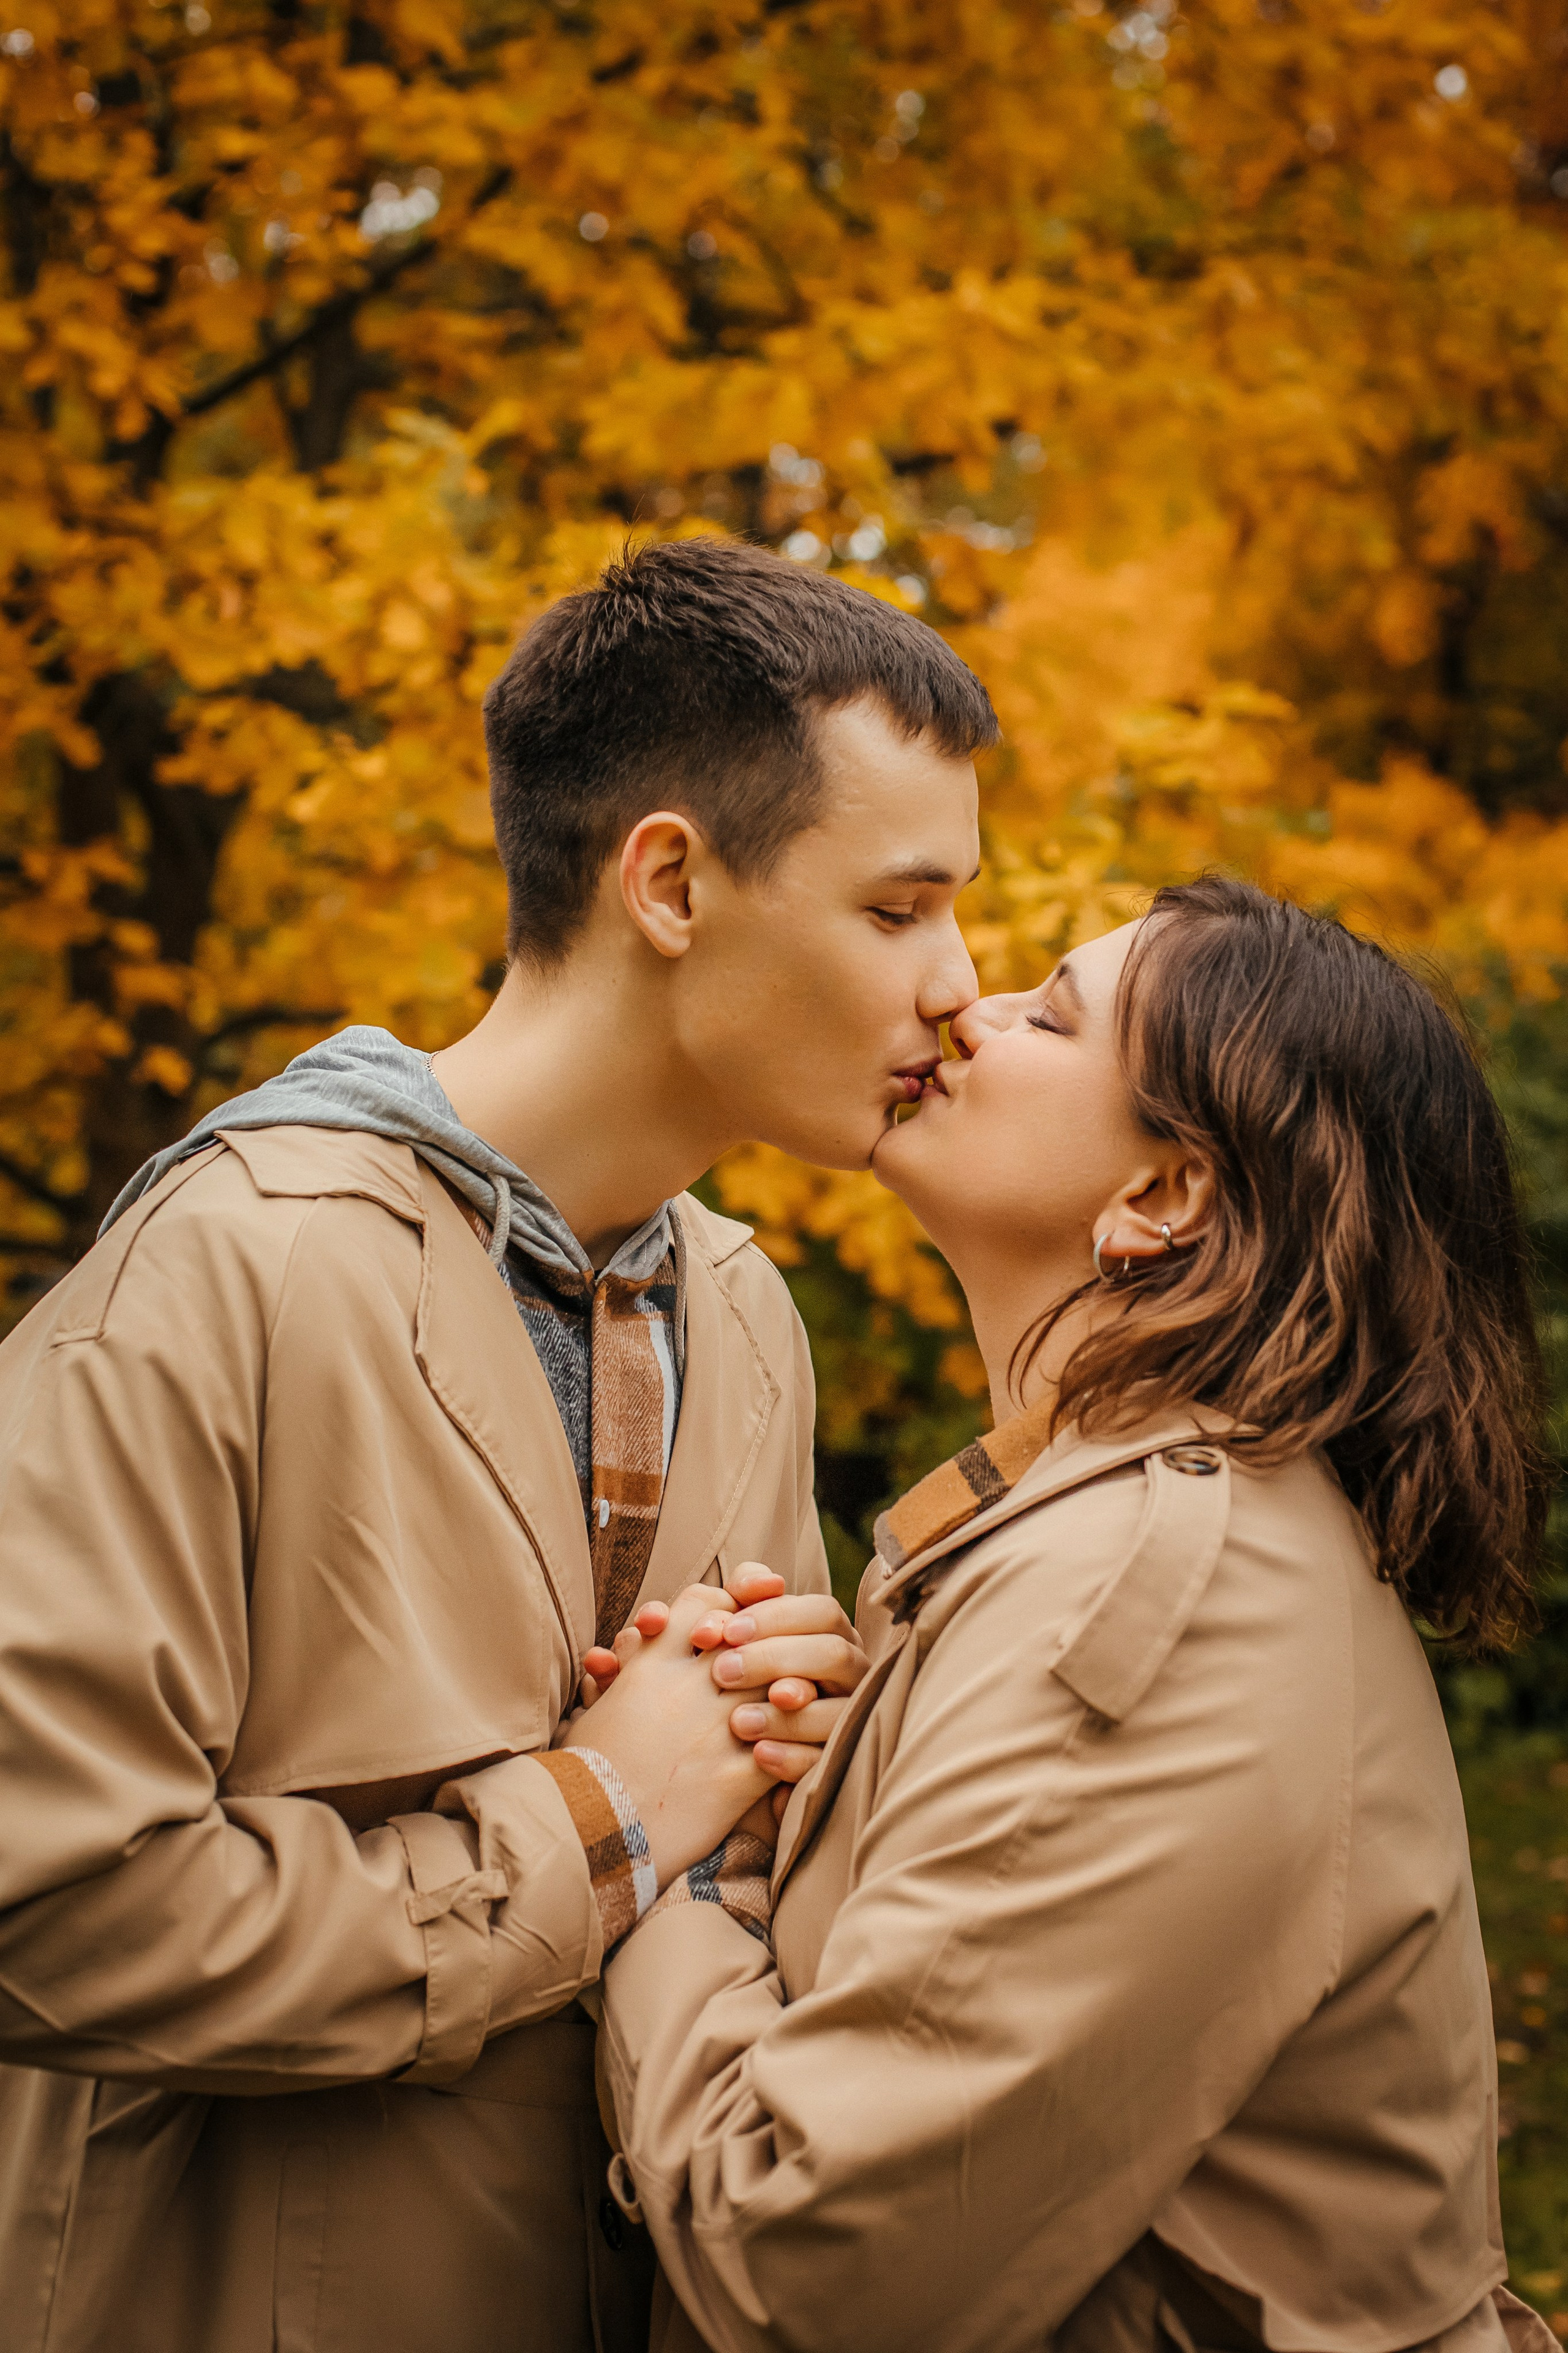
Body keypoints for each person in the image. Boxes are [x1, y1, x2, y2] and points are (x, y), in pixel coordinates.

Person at [0, 537, 998, 2353]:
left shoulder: (752, 1314)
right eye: (897, 909)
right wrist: (597, 1815)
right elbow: (48, 1907)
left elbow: (731, 1862)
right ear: (673, 882)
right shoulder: (231, 1264)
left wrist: (806, 1761)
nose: (961, 985)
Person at [588, 877, 1559, 2353]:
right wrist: (822, 1790)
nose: (960, 1012)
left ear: (1160, 1195)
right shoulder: (1082, 1530)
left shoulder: (1157, 1599)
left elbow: (807, 2271)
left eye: (1044, 1015)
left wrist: (660, 1858)